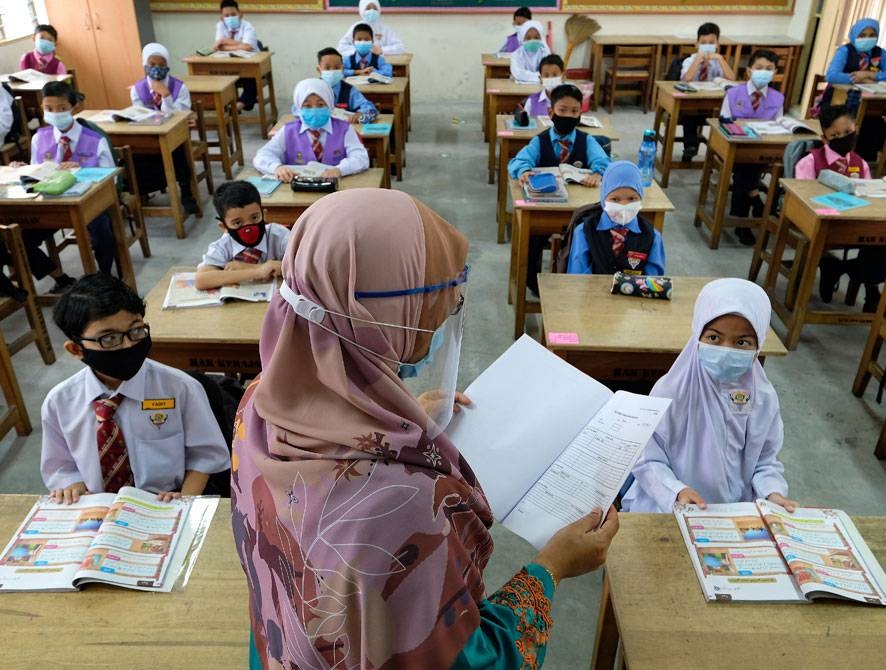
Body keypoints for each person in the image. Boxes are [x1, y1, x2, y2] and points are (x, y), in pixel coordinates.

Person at [231, 187, 619, 668]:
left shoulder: (258, 405)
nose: (452, 299)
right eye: (436, 288)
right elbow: (466, 661)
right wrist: (553, 567)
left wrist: (395, 413)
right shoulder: (405, 505)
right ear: (370, 311)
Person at [41, 273, 230, 504]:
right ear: (76, 350)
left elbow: (205, 456)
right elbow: (60, 465)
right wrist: (72, 485)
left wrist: (183, 500)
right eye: (109, 339)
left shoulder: (180, 388)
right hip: (96, 509)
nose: (129, 345)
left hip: (166, 503)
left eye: (136, 330)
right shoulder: (59, 402)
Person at [622, 278, 797, 513]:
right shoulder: (671, 390)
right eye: (714, 338)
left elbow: (766, 462)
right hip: (668, 505)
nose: (726, 350)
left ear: (759, 345)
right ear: (697, 334)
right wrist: (676, 491)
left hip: (734, 511)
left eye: (742, 342)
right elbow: (647, 458)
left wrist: (772, 493)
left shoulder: (762, 397)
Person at [9, 81, 115, 283]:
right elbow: (36, 173)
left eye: (62, 108)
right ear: (41, 108)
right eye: (49, 109)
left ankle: (105, 278)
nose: (55, 113)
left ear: (74, 107)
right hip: (50, 206)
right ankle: (61, 279)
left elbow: (112, 177)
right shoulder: (39, 138)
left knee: (102, 232)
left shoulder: (95, 139)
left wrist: (80, 171)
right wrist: (22, 170)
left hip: (87, 203)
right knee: (19, 239)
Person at [508, 84, 609, 294]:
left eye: (574, 111)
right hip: (547, 206)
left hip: (581, 210)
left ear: (580, 113)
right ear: (550, 112)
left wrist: (598, 173)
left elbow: (605, 162)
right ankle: (532, 281)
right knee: (532, 239)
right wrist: (524, 171)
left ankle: (576, 281)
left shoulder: (586, 140)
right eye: (562, 110)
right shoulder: (540, 140)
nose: (568, 116)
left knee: (589, 236)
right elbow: (518, 161)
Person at [795, 104, 886, 311]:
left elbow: (868, 192)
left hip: (855, 220)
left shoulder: (859, 162)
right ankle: (836, 266)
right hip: (822, 221)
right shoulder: (810, 161)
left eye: (848, 132)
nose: (844, 138)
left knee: (883, 240)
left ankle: (866, 284)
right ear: (825, 138)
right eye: (836, 135)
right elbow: (802, 197)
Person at [253, 78, 369, 183]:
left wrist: (340, 170)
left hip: (336, 191)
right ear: (298, 108)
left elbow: (361, 157)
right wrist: (277, 168)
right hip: (298, 191)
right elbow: (262, 156)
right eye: (307, 106)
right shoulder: (288, 130)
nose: (314, 110)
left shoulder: (344, 129)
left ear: (330, 105)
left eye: (321, 105)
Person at [722, 49, 783, 246]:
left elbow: (779, 124)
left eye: (769, 69)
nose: (763, 72)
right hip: (737, 149)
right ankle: (750, 213)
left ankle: (749, 210)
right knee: (746, 165)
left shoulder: (777, 98)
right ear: (749, 71)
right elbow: (724, 122)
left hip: (766, 149)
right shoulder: (733, 93)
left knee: (766, 167)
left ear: (774, 72)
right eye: (759, 68)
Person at [129, 43, 199, 215]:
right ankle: (145, 190)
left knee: (178, 152)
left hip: (176, 135)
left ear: (167, 66)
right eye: (152, 65)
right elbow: (141, 115)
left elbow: (179, 117)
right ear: (145, 66)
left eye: (161, 65)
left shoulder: (179, 87)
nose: (156, 69)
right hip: (150, 135)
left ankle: (186, 193)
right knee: (135, 153)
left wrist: (165, 96)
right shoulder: (137, 89)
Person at [566, 161, 666, 276]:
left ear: (641, 198)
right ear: (604, 198)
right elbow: (577, 278)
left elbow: (654, 282)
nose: (624, 205)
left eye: (632, 199)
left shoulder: (652, 236)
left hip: (633, 293)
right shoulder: (584, 231)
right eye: (615, 199)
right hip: (592, 292)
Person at [824, 18, 886, 161]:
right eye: (862, 35)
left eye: (872, 35)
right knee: (849, 126)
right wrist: (855, 78)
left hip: (871, 103)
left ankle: (863, 163)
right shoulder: (845, 51)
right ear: (854, 36)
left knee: (876, 128)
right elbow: (832, 75)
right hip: (842, 102)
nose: (868, 38)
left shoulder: (879, 53)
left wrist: (871, 75)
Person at [195, 181, 289, 290]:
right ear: (224, 226)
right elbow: (201, 280)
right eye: (237, 223)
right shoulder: (223, 245)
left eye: (254, 218)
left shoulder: (280, 236)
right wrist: (257, 271)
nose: (248, 229)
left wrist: (244, 267)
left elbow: (302, 268)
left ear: (264, 215)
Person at [680, 22, 736, 163]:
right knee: (690, 115)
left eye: (711, 42)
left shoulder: (718, 62)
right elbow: (686, 78)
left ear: (717, 44)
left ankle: (721, 150)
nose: (707, 45)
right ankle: (690, 146)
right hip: (691, 104)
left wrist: (721, 59)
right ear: (696, 44)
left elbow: (732, 78)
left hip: (713, 106)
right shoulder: (690, 60)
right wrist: (698, 60)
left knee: (727, 117)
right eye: (703, 42)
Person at [213, 0, 260, 112]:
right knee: (220, 77)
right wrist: (241, 44)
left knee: (251, 78)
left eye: (233, 14)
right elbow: (217, 47)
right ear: (222, 18)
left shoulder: (248, 26)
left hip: (249, 66)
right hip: (229, 67)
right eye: (227, 16)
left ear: (240, 15)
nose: (230, 18)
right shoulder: (220, 26)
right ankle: (227, 104)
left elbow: (248, 47)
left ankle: (239, 105)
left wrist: (225, 41)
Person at [315, 46, 378, 123]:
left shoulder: (349, 90)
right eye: (327, 68)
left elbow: (372, 110)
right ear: (319, 70)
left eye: (337, 67)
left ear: (342, 69)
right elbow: (298, 110)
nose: (332, 71)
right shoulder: (313, 89)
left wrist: (360, 114)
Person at [336, 1, 406, 57]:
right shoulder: (356, 27)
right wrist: (358, 50)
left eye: (375, 8)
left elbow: (400, 48)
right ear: (362, 10)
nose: (372, 11)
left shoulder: (385, 28)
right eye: (368, 8)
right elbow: (341, 48)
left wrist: (381, 50)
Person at [510, 20, 551, 84]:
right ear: (522, 38)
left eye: (536, 37)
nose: (532, 40)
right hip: (520, 89)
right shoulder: (516, 54)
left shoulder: (545, 53)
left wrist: (527, 76)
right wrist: (540, 77)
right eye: (528, 38)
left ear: (541, 38)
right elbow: (518, 74)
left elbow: (549, 72)